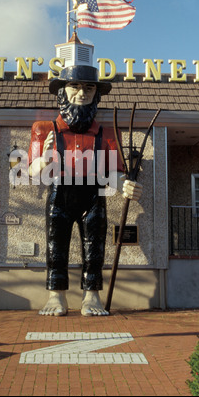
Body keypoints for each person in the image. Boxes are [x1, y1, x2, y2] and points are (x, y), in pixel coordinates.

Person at [28, 65, 142, 316]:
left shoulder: (108, 132)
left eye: (89, 87)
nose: (82, 93)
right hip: (60, 193)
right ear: (62, 91)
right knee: (55, 246)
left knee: (95, 247)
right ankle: (56, 296)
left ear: (96, 94)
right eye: (75, 86)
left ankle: (92, 296)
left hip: (94, 194)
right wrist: (45, 160)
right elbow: (31, 171)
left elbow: (114, 173)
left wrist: (124, 185)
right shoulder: (44, 129)